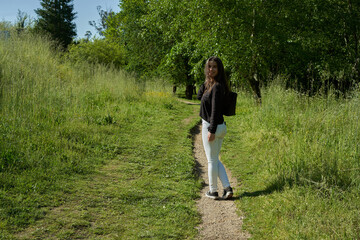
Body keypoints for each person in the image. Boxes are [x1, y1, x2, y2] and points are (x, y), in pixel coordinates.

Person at [197, 56, 233, 200]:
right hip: (220, 127)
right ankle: (227, 188)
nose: (211, 69)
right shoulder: (213, 85)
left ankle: (213, 191)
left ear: (219, 69)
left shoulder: (217, 87)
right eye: (209, 67)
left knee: (211, 161)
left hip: (212, 126)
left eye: (214, 67)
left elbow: (215, 110)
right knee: (215, 159)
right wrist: (207, 80)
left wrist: (211, 130)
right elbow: (200, 96)